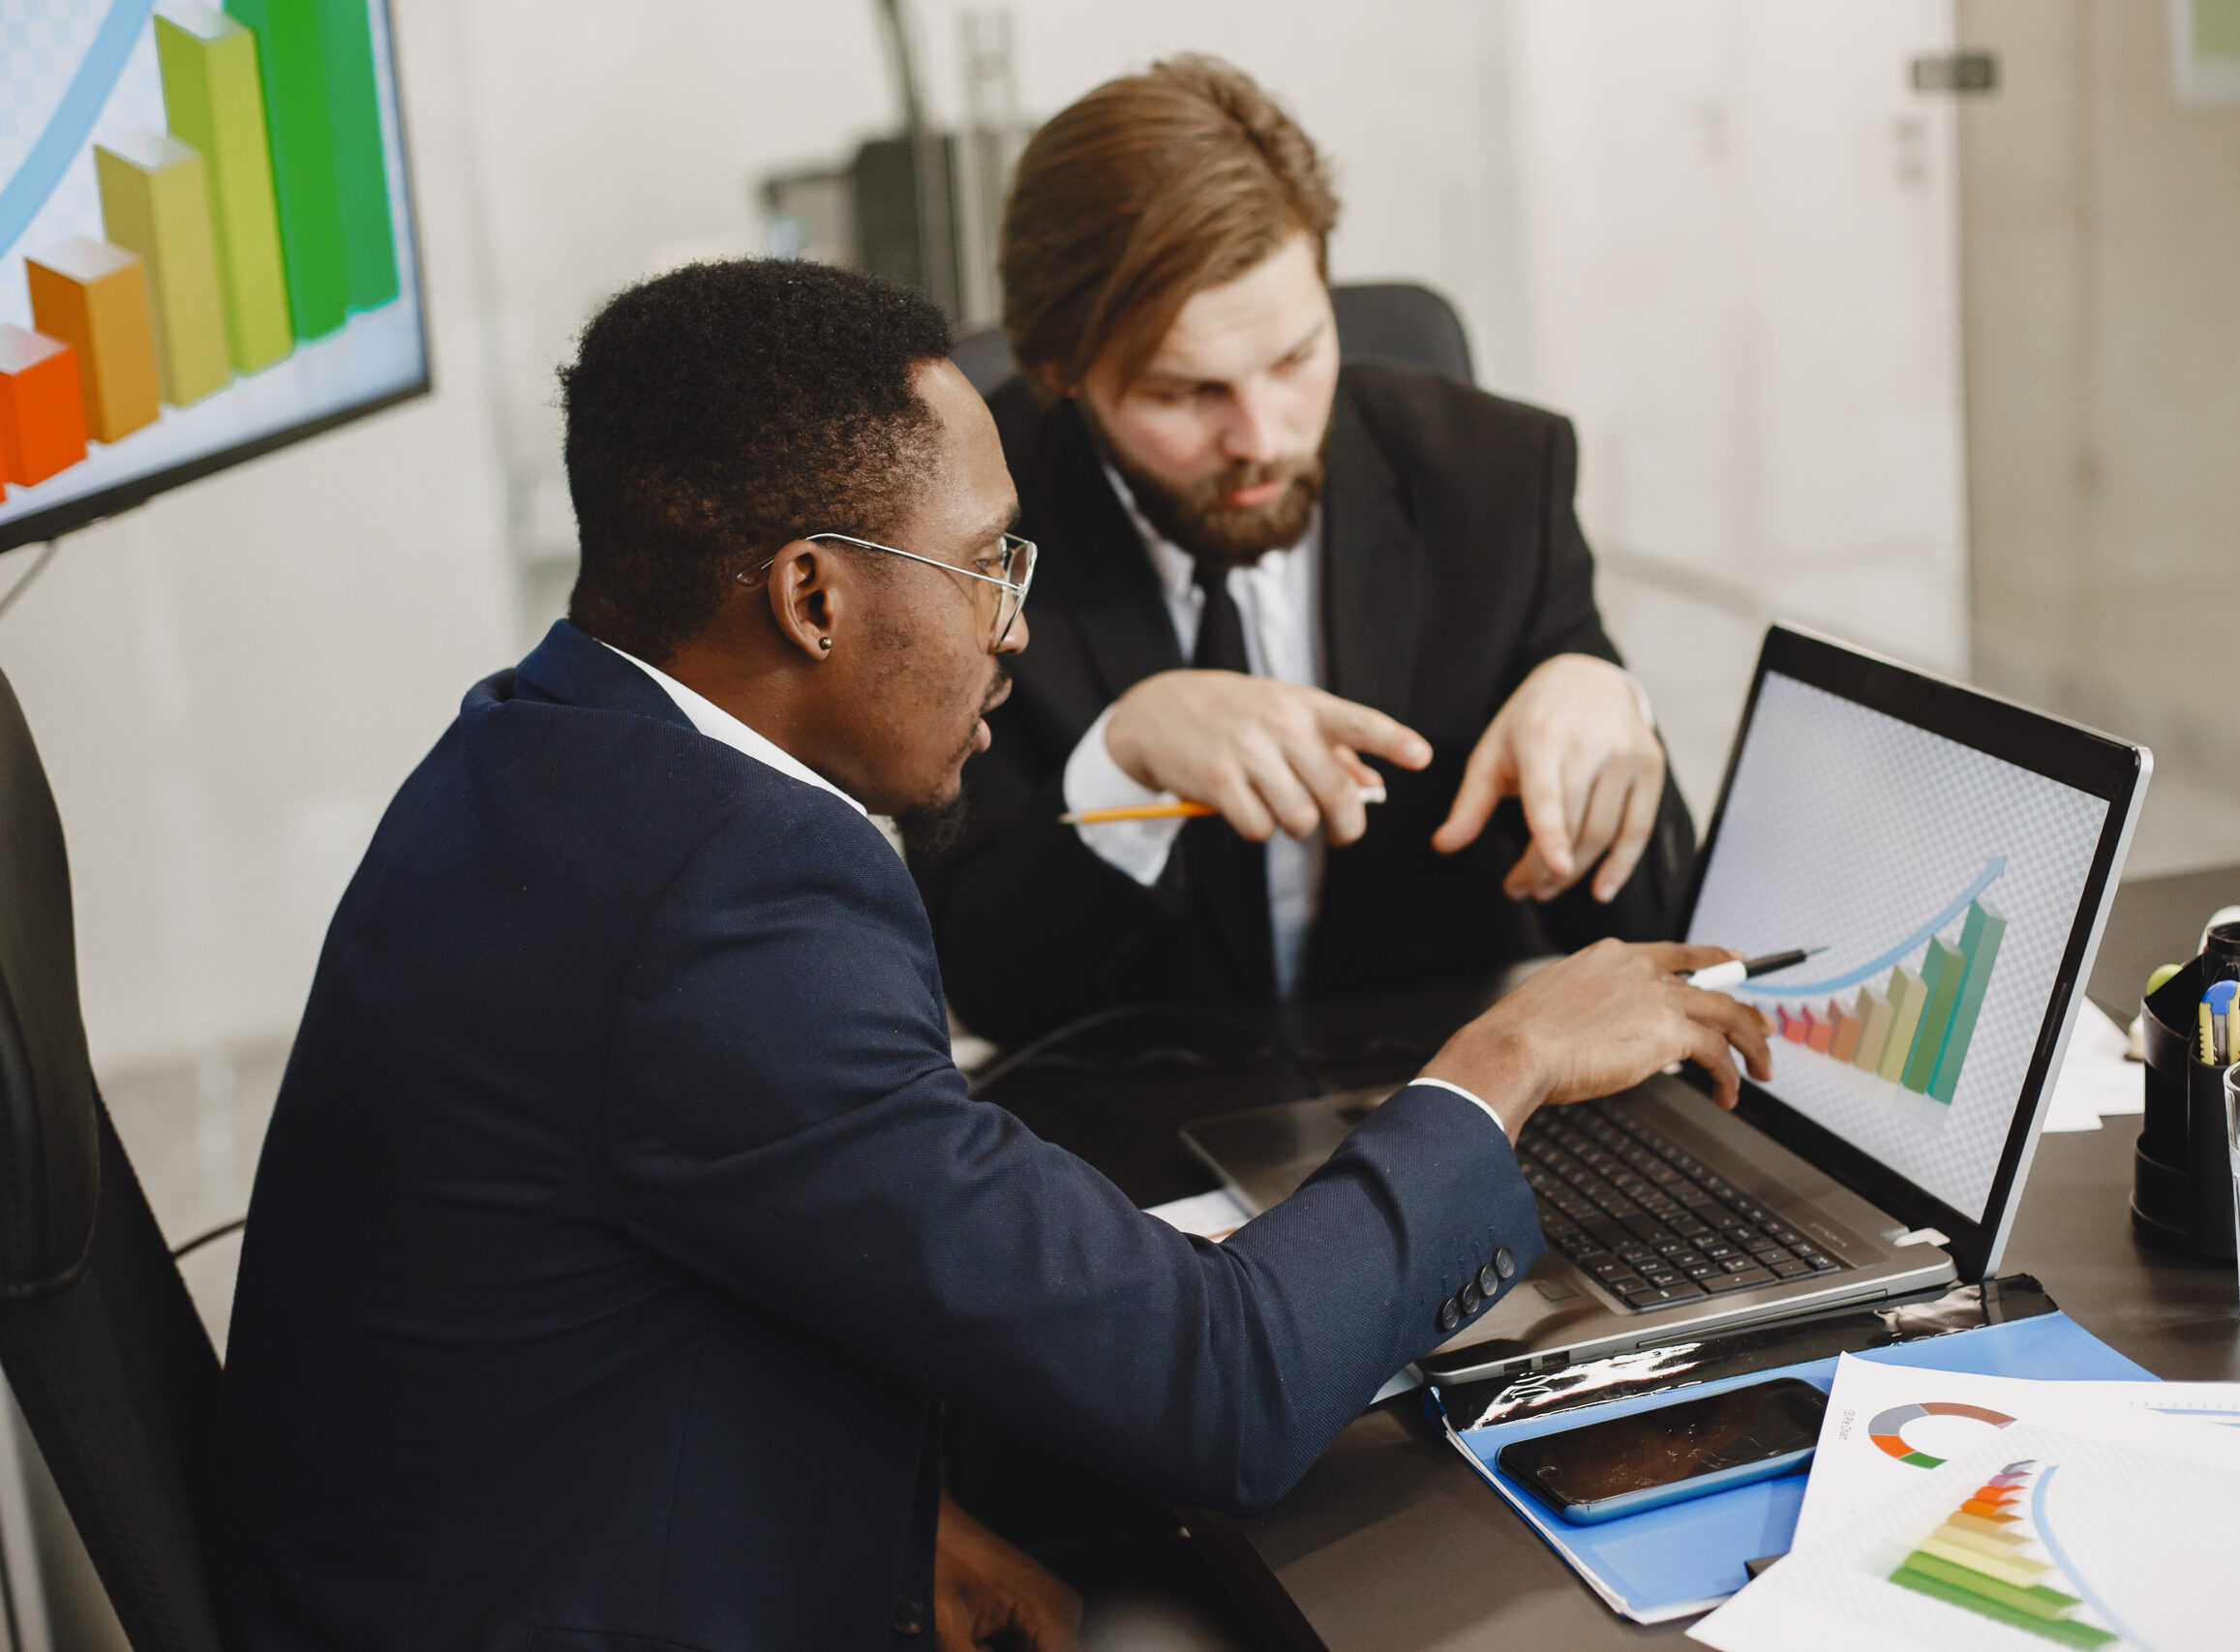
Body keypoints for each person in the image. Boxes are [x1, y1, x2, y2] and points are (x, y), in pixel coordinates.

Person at [207, 258, 1771, 1650]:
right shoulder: (730, 907)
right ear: (814, 594)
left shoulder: (543, 746)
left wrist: (896, 1526)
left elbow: (647, 1286)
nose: (1011, 628)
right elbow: (1218, 1390)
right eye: (986, 566)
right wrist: (1508, 1060)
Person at [914, 56, 1698, 1051]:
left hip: (1452, 1094)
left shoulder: (1492, 475)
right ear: (1062, 370)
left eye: (1294, 360)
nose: (1263, 437)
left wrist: (1609, 706)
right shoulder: (975, 538)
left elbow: (1656, 943)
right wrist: (1119, 760)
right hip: (1137, 1145)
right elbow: (989, 989)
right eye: (1186, 393)